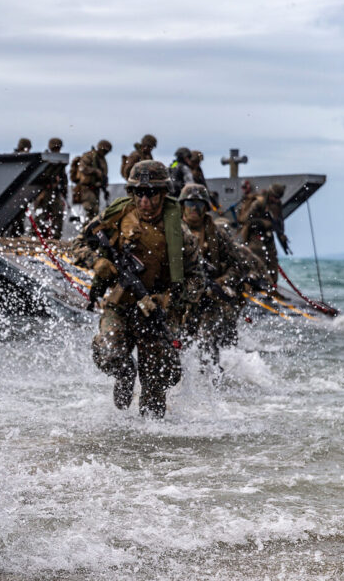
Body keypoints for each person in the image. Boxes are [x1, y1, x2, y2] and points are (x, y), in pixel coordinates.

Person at [83, 160, 201, 418]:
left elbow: (197, 279)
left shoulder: (180, 234)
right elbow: (81, 243)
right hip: (120, 304)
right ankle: (125, 373)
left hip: (155, 313)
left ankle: (150, 449)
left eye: (151, 194)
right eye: (138, 193)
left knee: (157, 385)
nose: (144, 200)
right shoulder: (116, 217)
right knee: (108, 352)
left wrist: (169, 298)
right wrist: (97, 262)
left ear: (163, 193)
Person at [178, 183, 244, 367]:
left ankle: (212, 385)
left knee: (207, 343)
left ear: (206, 208)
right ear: (182, 206)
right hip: (180, 297)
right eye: (189, 204)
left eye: (198, 205)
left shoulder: (217, 234)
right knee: (177, 343)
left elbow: (238, 267)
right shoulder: (174, 232)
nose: (193, 209)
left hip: (209, 299)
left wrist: (220, 283)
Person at [237, 183, 289, 287]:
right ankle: (256, 282)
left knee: (273, 258)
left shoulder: (277, 205)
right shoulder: (259, 203)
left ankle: (272, 284)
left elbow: (280, 221)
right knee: (258, 256)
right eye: (275, 197)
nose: (277, 200)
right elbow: (246, 219)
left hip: (268, 235)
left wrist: (282, 235)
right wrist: (262, 222)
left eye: (279, 198)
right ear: (270, 194)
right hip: (254, 234)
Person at [69, 139, 111, 226]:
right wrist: (95, 171)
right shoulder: (89, 156)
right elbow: (82, 168)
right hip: (86, 189)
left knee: (95, 212)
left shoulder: (102, 160)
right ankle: (85, 232)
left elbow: (103, 175)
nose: (104, 153)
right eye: (104, 150)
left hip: (96, 189)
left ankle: (90, 232)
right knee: (88, 210)